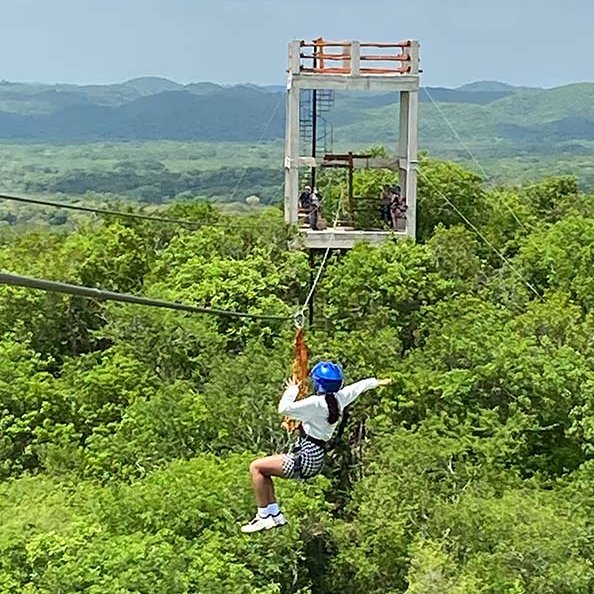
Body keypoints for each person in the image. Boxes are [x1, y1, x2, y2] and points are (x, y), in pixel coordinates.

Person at [240, 362, 392, 534]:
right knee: (265, 471)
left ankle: (262, 516)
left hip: (306, 457)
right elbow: (360, 386)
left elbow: (284, 409)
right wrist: (378, 382)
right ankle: (274, 514)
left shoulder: (316, 403)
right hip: (315, 457)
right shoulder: (340, 398)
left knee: (256, 467)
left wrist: (292, 390)